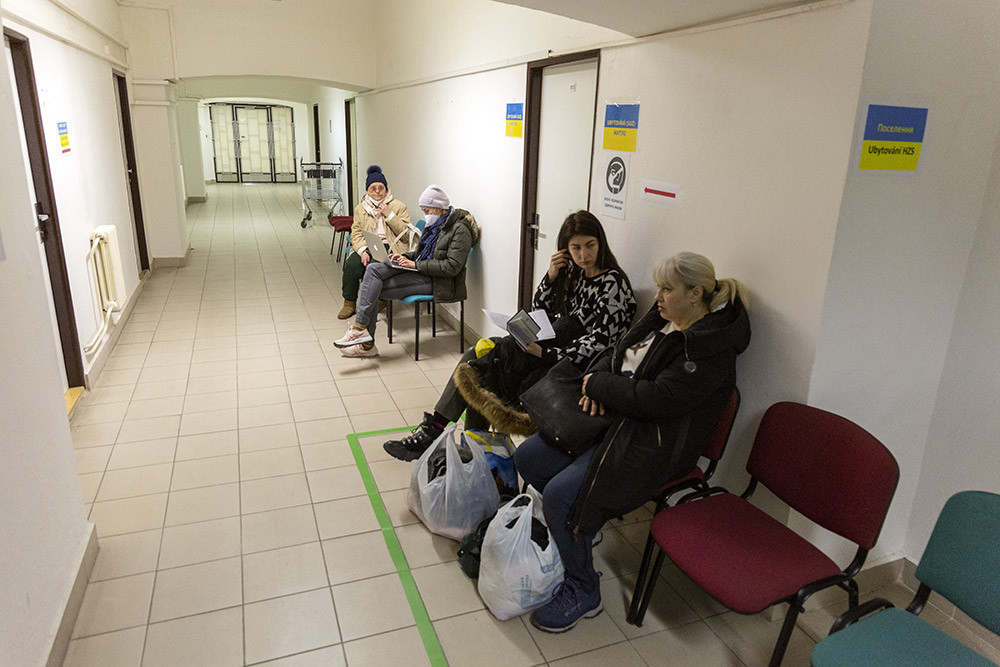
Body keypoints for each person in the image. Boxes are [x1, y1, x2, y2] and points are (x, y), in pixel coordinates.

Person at [513, 251, 751, 634]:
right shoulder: (663, 319)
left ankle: (584, 588)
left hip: (651, 443)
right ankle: (580, 527)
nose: (657, 296)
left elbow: (658, 400)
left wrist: (601, 385)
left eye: (667, 289)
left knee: (559, 495)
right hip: (615, 418)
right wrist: (593, 381)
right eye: (658, 287)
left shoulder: (708, 350)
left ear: (696, 294)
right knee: (528, 457)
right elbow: (616, 351)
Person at [383, 210, 636, 461]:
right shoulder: (577, 274)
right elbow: (542, 310)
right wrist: (551, 277)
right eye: (575, 248)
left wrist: (546, 353)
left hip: (573, 365)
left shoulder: (612, 284)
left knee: (482, 364)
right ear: (565, 250)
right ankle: (465, 443)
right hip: (552, 349)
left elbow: (601, 343)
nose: (583, 255)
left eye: (590, 246)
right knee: (479, 353)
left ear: (601, 243)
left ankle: (445, 436)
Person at [333, 184, 479, 357]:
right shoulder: (436, 225)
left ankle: (365, 341)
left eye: (427, 210)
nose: (425, 215)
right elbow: (420, 253)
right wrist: (403, 257)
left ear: (439, 208)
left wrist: (414, 265)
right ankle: (361, 332)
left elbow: (451, 267)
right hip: (421, 270)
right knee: (373, 269)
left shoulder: (460, 230)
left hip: (439, 282)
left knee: (373, 287)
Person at [339, 165, 412, 319]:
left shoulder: (399, 206)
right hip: (367, 244)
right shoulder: (360, 209)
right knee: (351, 265)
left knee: (373, 267)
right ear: (367, 190)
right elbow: (356, 234)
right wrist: (362, 251)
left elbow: (405, 235)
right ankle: (349, 303)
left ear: (386, 189)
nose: (377, 191)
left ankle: (380, 300)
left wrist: (389, 214)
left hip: (390, 246)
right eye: (373, 188)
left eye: (381, 188)